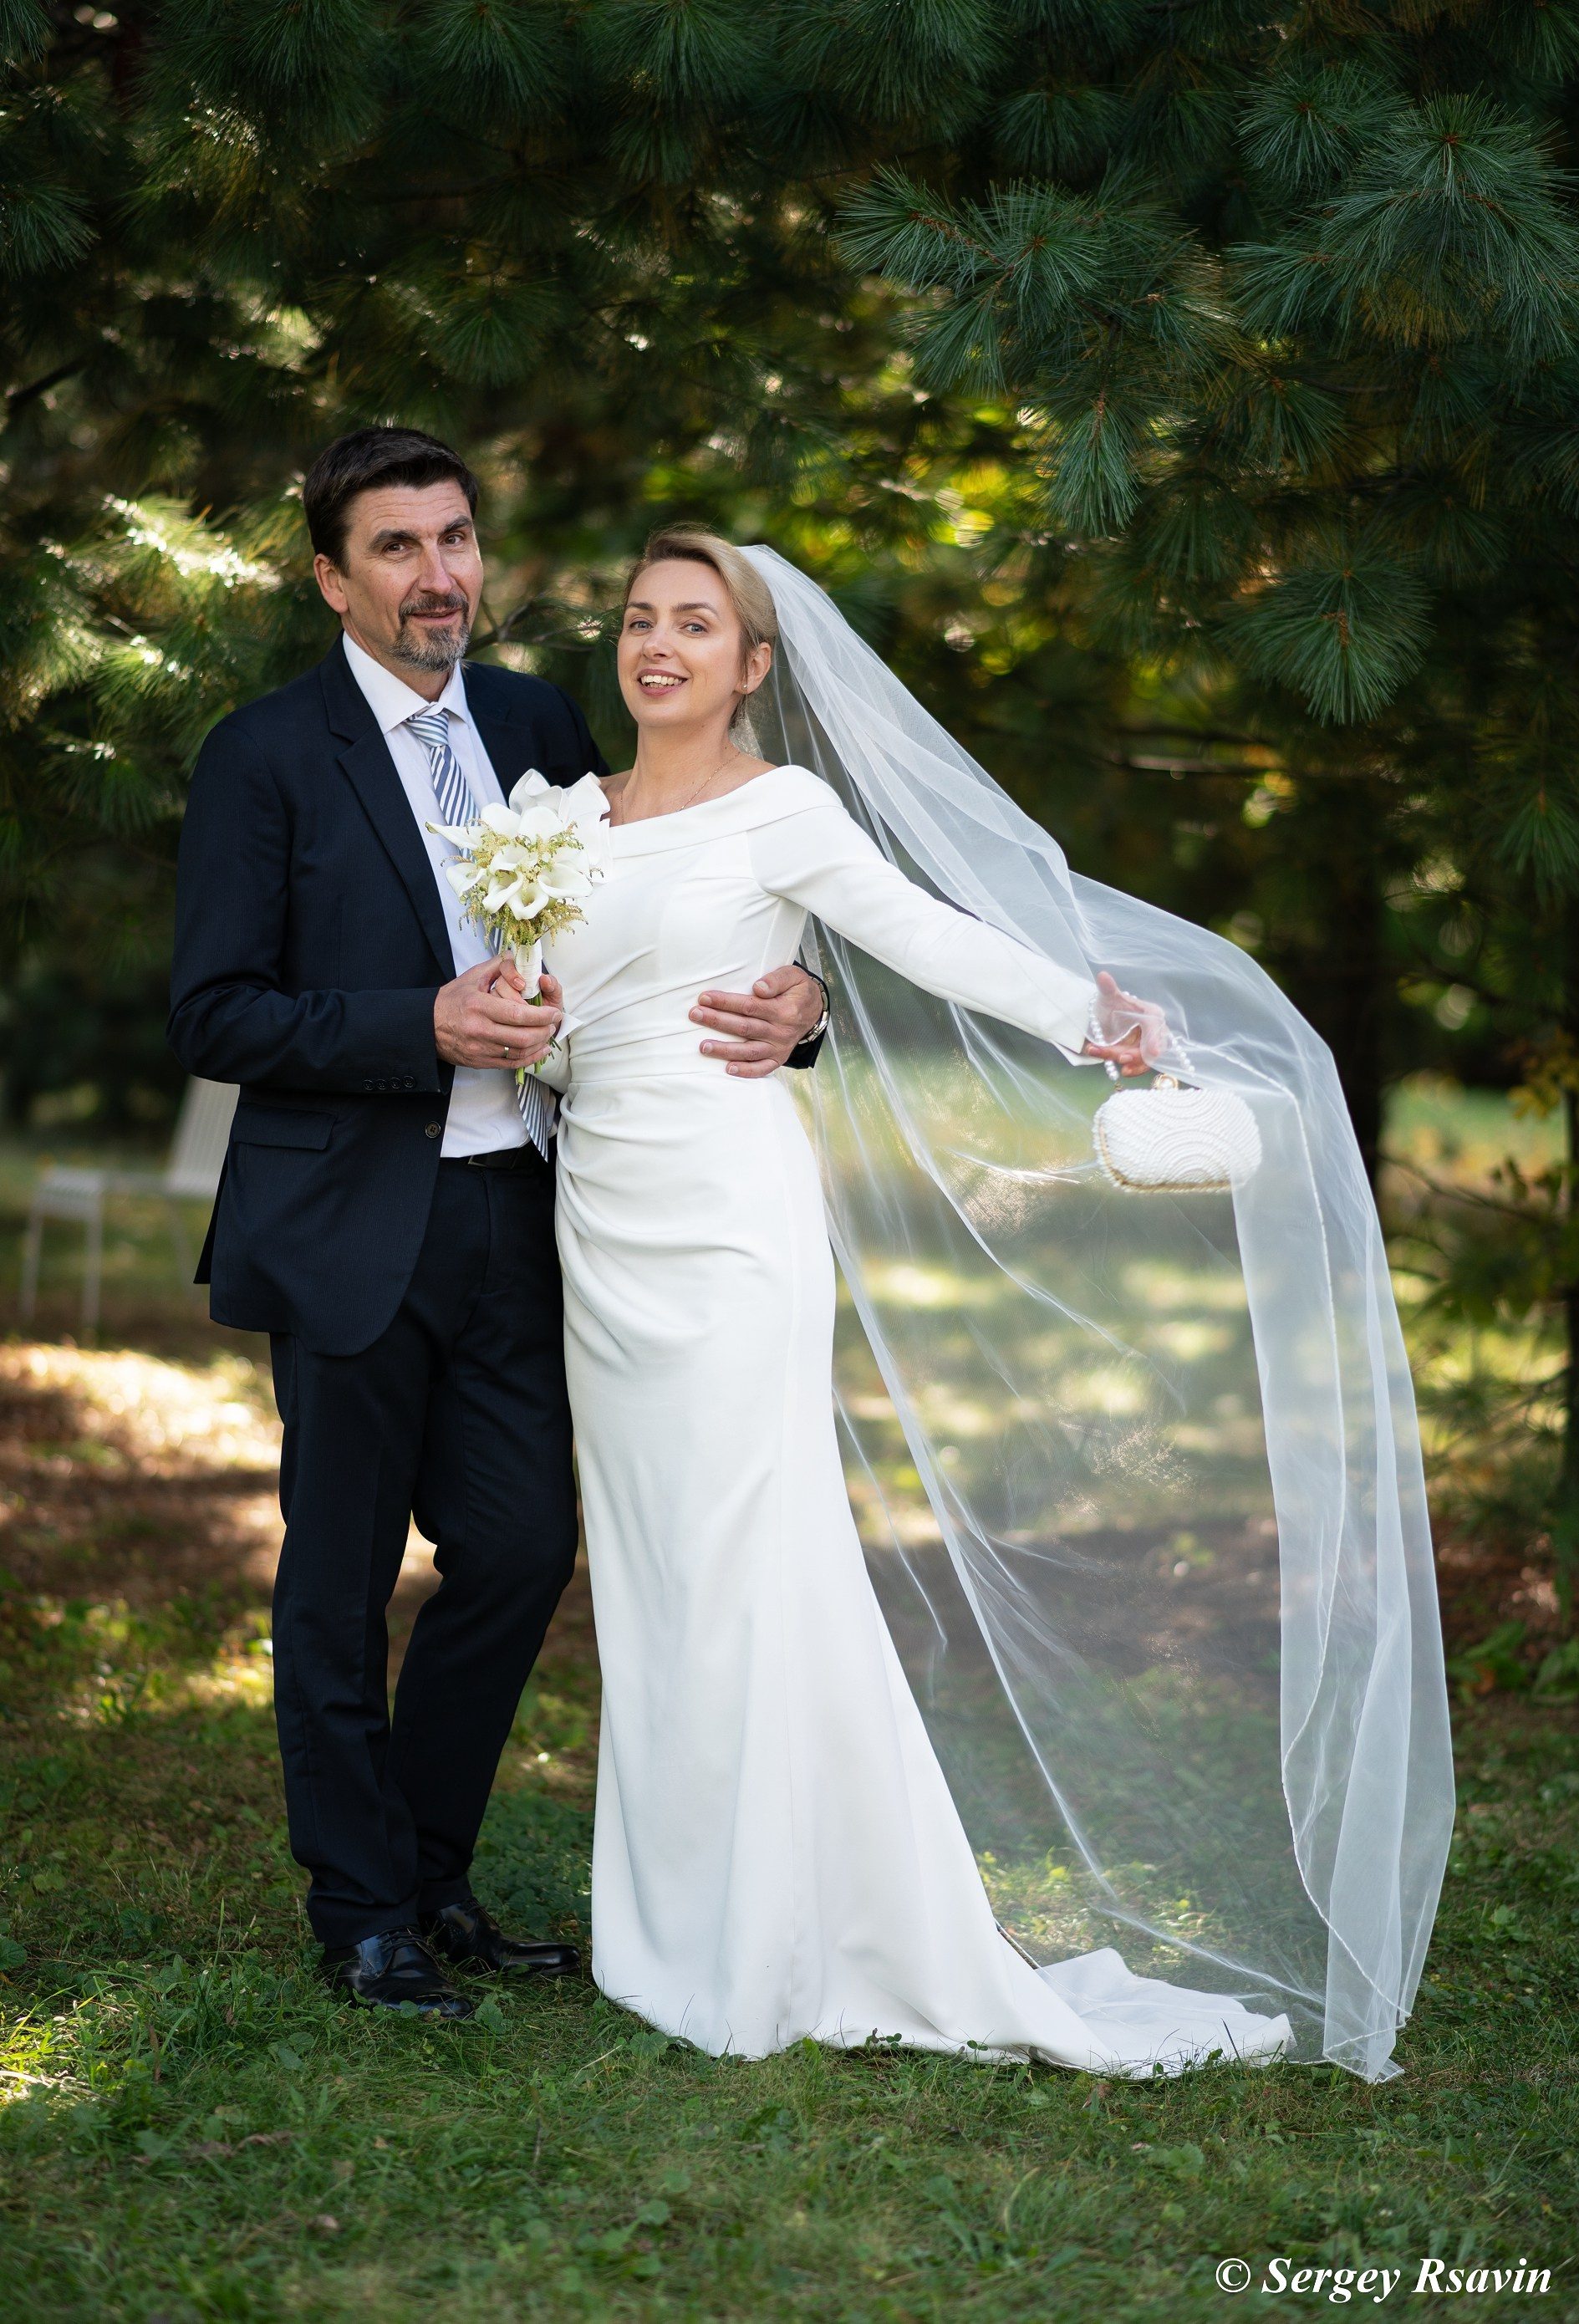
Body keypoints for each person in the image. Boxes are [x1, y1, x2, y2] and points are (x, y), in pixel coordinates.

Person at [534, 528, 1319, 2073]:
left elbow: (919, 929)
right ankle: (676, 1917)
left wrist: (1084, 1015)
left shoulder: (780, 807)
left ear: (753, 664)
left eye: (696, 624)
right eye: (638, 619)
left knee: (748, 1555)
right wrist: (535, 1035)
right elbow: (565, 1030)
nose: (659, 647)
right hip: (599, 1223)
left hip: (730, 1221)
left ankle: (781, 1931)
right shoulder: (559, 819)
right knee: (649, 1567)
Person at [166, 436, 828, 2019]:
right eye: (395, 548)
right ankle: (361, 1912)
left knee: (523, 1550)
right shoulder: (266, 754)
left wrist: (800, 1005)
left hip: (530, 1212)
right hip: (347, 1223)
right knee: (337, 1580)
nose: (436, 575)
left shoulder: (538, 725)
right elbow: (214, 1010)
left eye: (454, 538)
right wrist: (422, 1024)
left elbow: (676, 897)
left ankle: (430, 1873)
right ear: (333, 581)